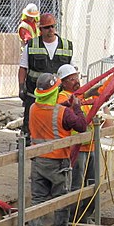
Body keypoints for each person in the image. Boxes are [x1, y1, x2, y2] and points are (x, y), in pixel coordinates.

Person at [26, 72, 88, 226]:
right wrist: (76, 108)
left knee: (37, 201)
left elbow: (48, 111)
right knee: (61, 202)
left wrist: (65, 106)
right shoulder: (64, 113)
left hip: (39, 162)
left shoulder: (32, 109)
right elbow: (81, 126)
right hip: (59, 163)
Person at [18, 13, 74, 144]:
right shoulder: (31, 45)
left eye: (52, 26)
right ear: (40, 29)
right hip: (35, 95)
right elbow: (23, 68)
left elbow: (72, 71)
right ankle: (27, 146)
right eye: (47, 27)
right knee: (30, 123)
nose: (50, 30)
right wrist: (21, 87)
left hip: (58, 96)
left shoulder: (66, 46)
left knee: (57, 122)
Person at [56, 64, 100, 224]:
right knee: (76, 186)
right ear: (64, 82)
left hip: (91, 146)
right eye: (71, 79)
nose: (76, 81)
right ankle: (73, 220)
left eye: (76, 77)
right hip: (76, 149)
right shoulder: (62, 97)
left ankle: (84, 217)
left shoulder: (80, 96)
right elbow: (70, 104)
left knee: (93, 184)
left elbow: (82, 102)